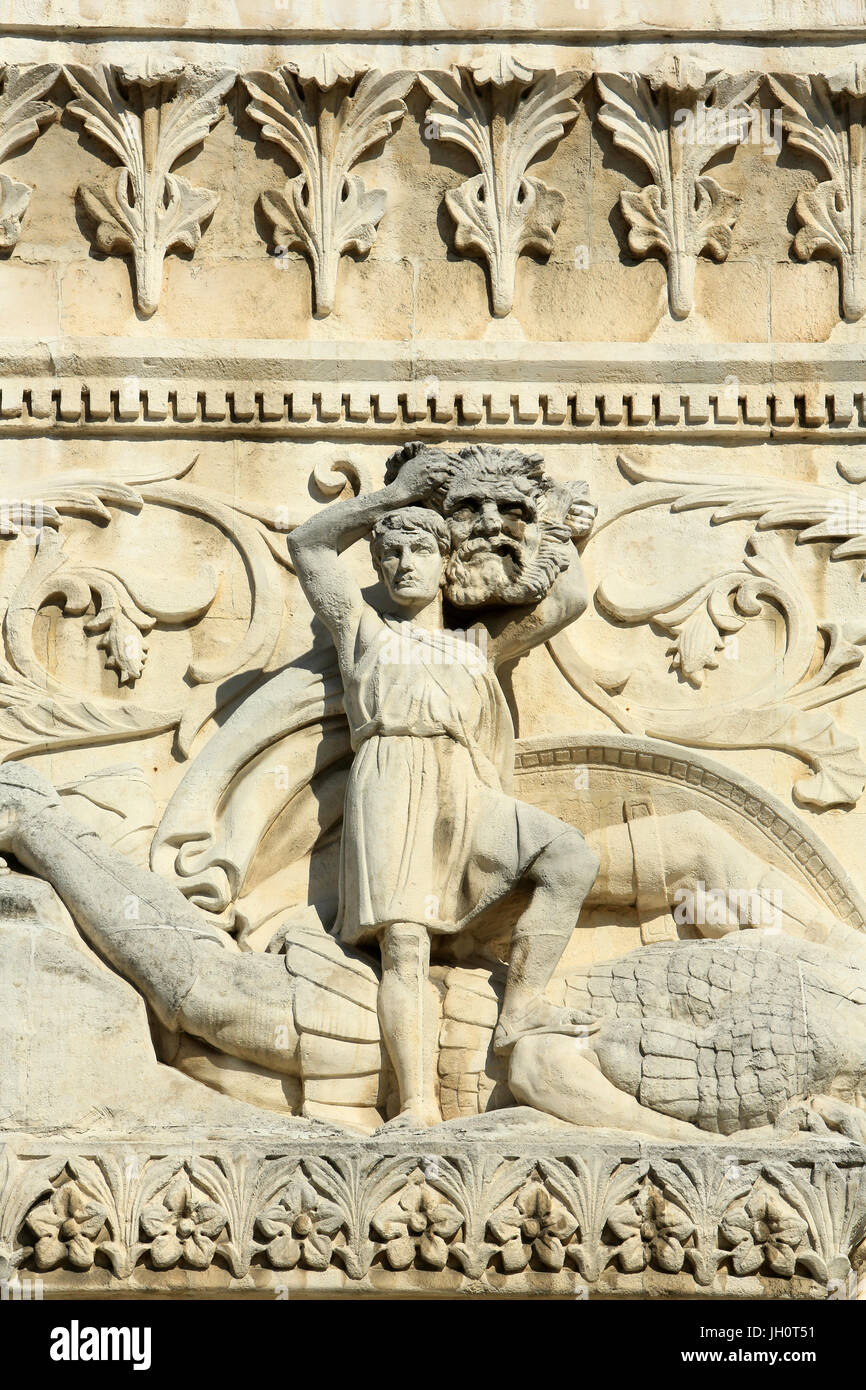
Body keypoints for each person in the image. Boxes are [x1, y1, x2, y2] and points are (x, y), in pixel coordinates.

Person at [287, 445, 601, 1126]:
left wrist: (559, 525)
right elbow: (307, 544)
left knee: (569, 856)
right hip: (391, 782)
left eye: (419, 553)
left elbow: (569, 598)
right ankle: (419, 1105)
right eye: (390, 556)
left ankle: (521, 1008)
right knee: (405, 944)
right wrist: (393, 497)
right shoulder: (361, 631)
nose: (403, 565)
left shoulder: (478, 644)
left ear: (445, 562)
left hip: (464, 786)